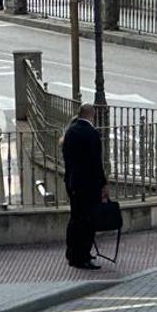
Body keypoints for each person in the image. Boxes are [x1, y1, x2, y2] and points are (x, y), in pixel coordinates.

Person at [62, 104, 108, 270]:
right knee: (88, 222)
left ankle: (72, 253)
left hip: (73, 182)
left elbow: (67, 158)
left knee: (75, 219)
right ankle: (83, 256)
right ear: (92, 115)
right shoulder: (92, 133)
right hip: (89, 185)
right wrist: (103, 183)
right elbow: (96, 162)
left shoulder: (70, 131)